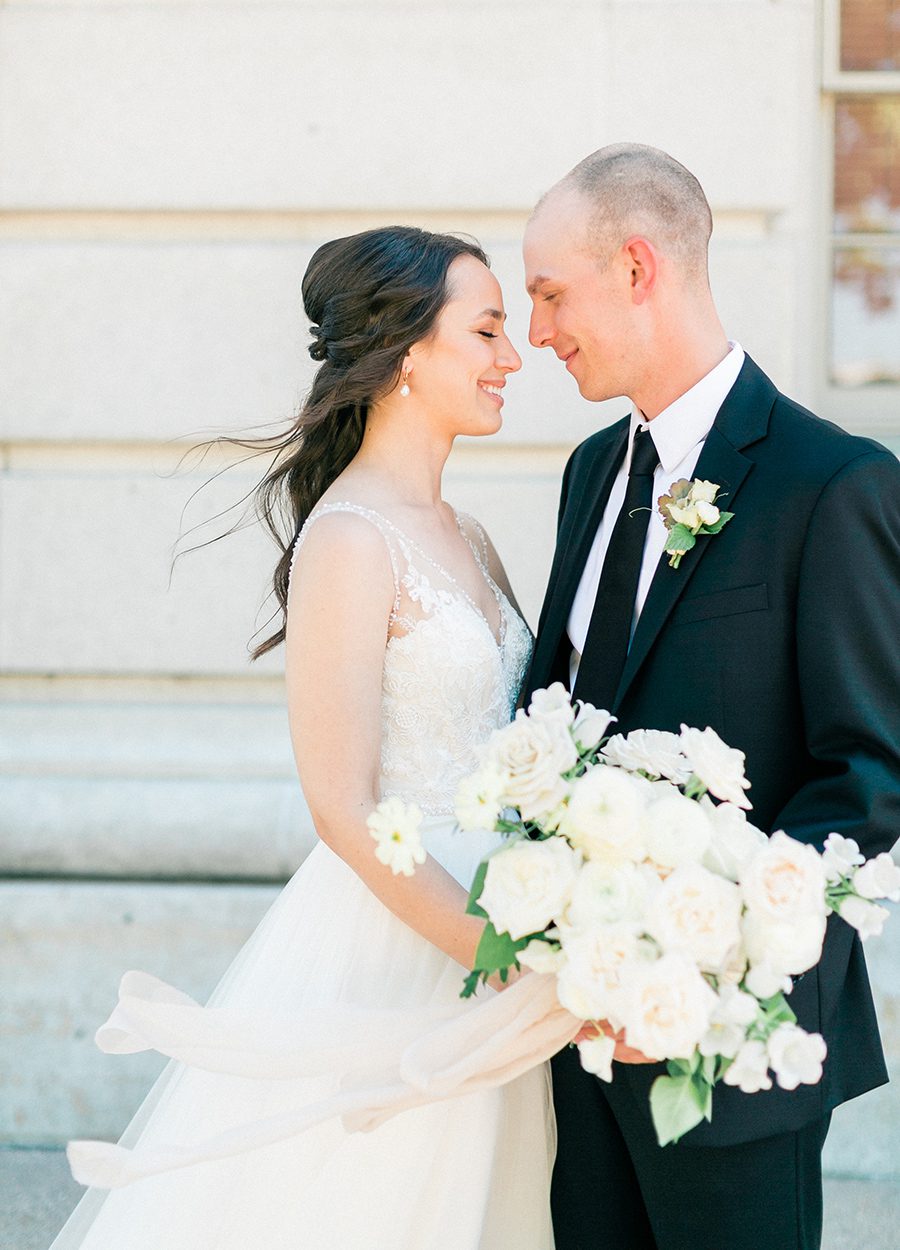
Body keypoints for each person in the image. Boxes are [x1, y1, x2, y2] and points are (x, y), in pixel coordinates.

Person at [48, 226, 557, 1249]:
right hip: (408, 940)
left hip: (505, 928)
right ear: (409, 351)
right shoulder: (349, 537)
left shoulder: (475, 537)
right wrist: (500, 955)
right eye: (490, 329)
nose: (515, 356)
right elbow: (340, 801)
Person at [523, 142, 900, 1250]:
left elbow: (870, 782)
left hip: (733, 1051)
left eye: (551, 294)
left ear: (638, 267)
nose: (538, 330)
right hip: (574, 1044)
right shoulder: (591, 473)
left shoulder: (834, 483)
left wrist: (696, 966)